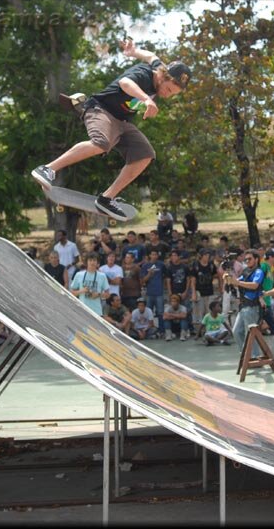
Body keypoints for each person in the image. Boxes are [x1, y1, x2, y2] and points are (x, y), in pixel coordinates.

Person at [30, 39, 191, 220]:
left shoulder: (159, 66)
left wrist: (134, 52)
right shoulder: (144, 74)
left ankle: (106, 198)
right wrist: (146, 99)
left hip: (122, 121)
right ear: (162, 76)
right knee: (101, 143)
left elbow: (151, 56)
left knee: (145, 154)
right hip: (101, 109)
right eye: (168, 89)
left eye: (172, 94)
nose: (167, 95)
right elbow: (125, 83)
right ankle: (47, 169)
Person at [224, 250, 265, 357]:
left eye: (250, 259)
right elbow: (237, 282)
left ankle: (254, 356)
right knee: (236, 331)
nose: (247, 261)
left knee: (250, 333)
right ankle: (246, 354)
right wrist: (229, 277)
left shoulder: (259, 271)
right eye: (246, 259)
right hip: (243, 306)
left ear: (256, 259)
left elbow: (255, 285)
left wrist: (237, 282)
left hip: (252, 305)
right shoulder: (246, 271)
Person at [189, 249, 218, 333]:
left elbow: (216, 275)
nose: (207, 257)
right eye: (205, 255)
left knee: (209, 311)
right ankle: (199, 331)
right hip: (199, 292)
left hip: (209, 291)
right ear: (201, 256)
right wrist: (193, 292)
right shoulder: (196, 265)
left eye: (208, 255)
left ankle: (209, 329)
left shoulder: (211, 265)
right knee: (199, 312)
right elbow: (193, 280)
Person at [140, 250, 165, 328]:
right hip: (149, 292)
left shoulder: (161, 265)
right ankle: (149, 329)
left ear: (157, 256)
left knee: (160, 312)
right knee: (148, 312)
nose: (154, 256)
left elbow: (166, 277)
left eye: (155, 254)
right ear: (150, 256)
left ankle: (161, 330)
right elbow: (143, 280)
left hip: (159, 292)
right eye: (152, 254)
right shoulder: (145, 266)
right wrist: (149, 274)